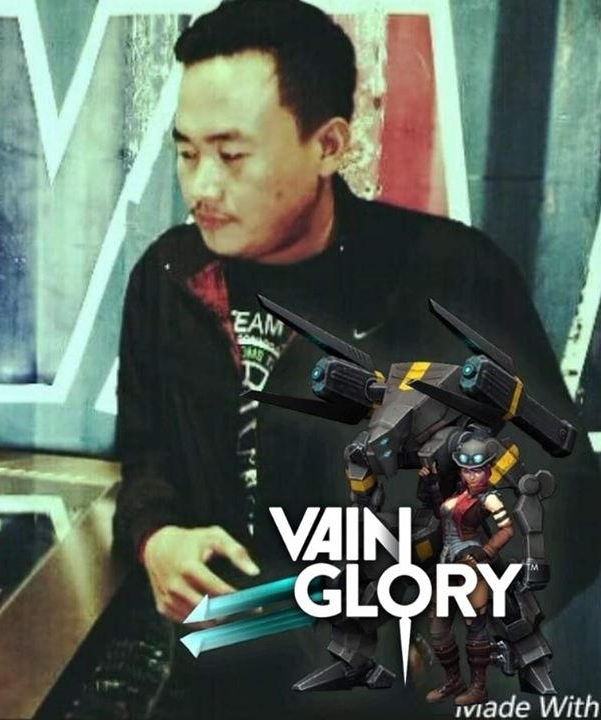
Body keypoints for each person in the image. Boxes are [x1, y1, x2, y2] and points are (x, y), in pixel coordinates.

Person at [106, 1, 601, 718]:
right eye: (186, 153)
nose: (201, 187)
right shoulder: (168, 278)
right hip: (215, 676)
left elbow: (570, 494)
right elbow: (144, 454)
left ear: (329, 145)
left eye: (232, 155)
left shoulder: (451, 275)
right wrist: (156, 537)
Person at [420, 432, 515, 706]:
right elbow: (441, 512)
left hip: (470, 563)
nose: (471, 476)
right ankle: (454, 681)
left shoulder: (490, 499)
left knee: (475, 624)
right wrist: (431, 483)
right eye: (466, 470)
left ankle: (479, 688)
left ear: (487, 470)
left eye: (476, 470)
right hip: (447, 561)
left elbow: (507, 529)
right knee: (438, 628)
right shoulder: (457, 494)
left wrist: (487, 551)